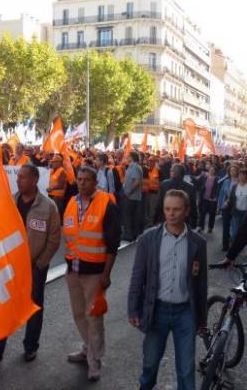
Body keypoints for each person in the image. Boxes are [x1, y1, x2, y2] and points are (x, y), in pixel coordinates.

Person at [0, 164, 61, 363]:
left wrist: (40, 263)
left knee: (33, 307)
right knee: (3, 306)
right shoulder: (9, 202)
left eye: (22, 177)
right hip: (10, 266)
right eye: (18, 177)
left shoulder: (48, 206)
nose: (18, 180)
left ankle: (31, 347)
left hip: (34, 266)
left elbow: (54, 239)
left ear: (34, 180)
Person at [128, 189, 207, 390]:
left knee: (187, 369)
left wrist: (201, 319)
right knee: (150, 363)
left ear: (186, 211)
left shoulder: (198, 242)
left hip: (185, 313)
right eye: (167, 209)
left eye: (176, 210)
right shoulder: (149, 239)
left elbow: (201, 284)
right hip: (157, 311)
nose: (171, 214)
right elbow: (138, 276)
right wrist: (133, 309)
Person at [63, 166, 121, 381]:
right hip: (74, 270)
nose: (82, 183)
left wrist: (107, 274)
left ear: (95, 182)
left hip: (95, 273)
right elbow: (70, 235)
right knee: (79, 314)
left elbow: (113, 243)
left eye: (87, 180)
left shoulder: (107, 203)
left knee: (94, 317)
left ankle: (94, 361)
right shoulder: (71, 202)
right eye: (79, 179)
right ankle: (88, 349)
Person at [154, 163, 197, 229]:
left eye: (171, 170)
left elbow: (159, 203)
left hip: (167, 219)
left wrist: (155, 219)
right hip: (183, 220)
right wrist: (194, 223)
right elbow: (193, 206)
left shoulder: (164, 184)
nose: (169, 172)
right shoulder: (190, 187)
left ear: (174, 172)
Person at [122, 151, 143, 241]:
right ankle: (131, 234)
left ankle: (129, 235)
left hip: (131, 196)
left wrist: (129, 192)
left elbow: (136, 181)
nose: (126, 157)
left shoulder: (135, 167)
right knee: (130, 216)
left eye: (128, 156)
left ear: (132, 157)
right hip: (130, 195)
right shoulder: (132, 166)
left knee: (129, 216)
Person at [218, 165, 239, 251]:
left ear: (237, 171)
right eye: (231, 170)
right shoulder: (226, 181)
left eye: (234, 170)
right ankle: (225, 245)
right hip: (226, 205)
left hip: (236, 206)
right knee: (225, 226)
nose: (232, 172)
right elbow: (221, 194)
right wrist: (219, 206)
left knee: (235, 227)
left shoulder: (241, 182)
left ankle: (235, 245)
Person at [197, 166, 219, 233]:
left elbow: (218, 189)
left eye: (213, 170)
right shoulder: (205, 177)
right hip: (204, 198)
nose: (211, 171)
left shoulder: (217, 179)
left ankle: (210, 227)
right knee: (202, 213)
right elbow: (199, 183)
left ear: (215, 171)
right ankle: (201, 227)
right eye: (210, 169)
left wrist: (216, 197)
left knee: (212, 214)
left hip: (212, 199)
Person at [47, 154, 67, 219]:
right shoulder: (52, 171)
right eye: (52, 162)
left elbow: (61, 185)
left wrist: (51, 188)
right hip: (51, 195)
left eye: (54, 162)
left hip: (57, 197)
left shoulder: (62, 171)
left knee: (56, 215)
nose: (53, 163)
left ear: (59, 162)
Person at [228, 168, 247, 238]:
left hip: (245, 213)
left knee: (242, 230)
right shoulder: (235, 186)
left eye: (243, 175)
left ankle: (239, 245)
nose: (241, 177)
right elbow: (231, 197)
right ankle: (234, 242)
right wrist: (226, 202)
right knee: (235, 232)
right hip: (236, 211)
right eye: (240, 175)